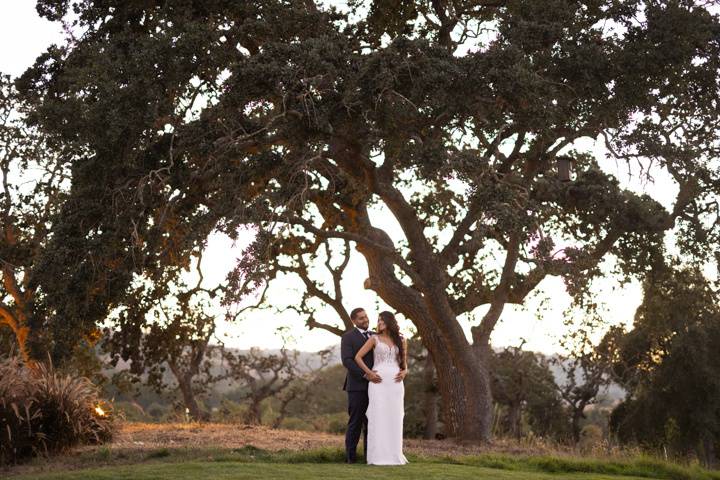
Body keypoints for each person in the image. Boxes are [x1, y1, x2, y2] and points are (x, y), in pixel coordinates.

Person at [354, 311, 409, 465]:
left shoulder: (402, 339)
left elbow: (404, 363)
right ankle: (377, 457)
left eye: (382, 320)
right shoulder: (374, 339)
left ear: (389, 321)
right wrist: (369, 372)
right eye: (378, 321)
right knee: (377, 416)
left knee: (395, 417)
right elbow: (357, 357)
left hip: (396, 384)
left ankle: (394, 455)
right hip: (378, 383)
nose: (379, 323)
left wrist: (404, 371)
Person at [340, 307, 379, 463]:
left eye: (366, 317)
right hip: (357, 387)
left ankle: (370, 457)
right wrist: (366, 374)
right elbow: (347, 361)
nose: (365, 320)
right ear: (354, 321)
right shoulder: (348, 337)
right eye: (361, 318)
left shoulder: (376, 336)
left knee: (372, 424)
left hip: (376, 387)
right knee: (355, 423)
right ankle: (351, 458)